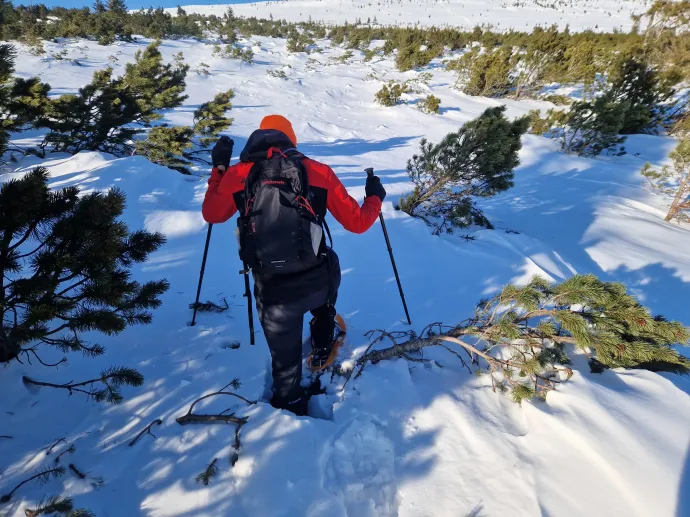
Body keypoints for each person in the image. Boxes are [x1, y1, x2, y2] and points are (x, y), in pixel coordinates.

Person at [202, 115, 386, 416]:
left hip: (272, 293)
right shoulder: (317, 171)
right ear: (291, 141)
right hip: (318, 282)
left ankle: (288, 405)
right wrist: (375, 198)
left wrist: (219, 170)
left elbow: (211, 213)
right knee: (329, 263)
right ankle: (323, 331)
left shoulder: (239, 174)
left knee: (284, 362)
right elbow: (358, 222)